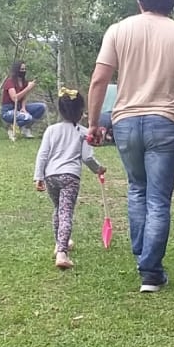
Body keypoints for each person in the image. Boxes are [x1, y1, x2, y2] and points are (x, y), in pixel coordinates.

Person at [86, 0, 174, 293]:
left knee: (137, 189)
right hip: (165, 122)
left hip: (125, 121)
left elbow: (100, 80)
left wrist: (94, 122)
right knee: (158, 199)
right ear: (172, 4)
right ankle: (150, 271)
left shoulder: (118, 30)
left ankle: (143, 257)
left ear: (140, 2)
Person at [34, 88, 106, 270]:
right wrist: (99, 169)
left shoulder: (51, 130)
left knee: (58, 209)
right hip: (70, 177)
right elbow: (87, 157)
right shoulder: (82, 132)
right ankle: (62, 252)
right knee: (66, 212)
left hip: (51, 176)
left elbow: (43, 154)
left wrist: (39, 176)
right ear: (81, 113)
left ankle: (60, 243)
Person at [1, 61, 47, 141]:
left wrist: (23, 108)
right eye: (22, 69)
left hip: (19, 107)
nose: (23, 71)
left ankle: (25, 128)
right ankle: (12, 128)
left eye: (25, 69)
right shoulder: (10, 82)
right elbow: (15, 98)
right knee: (28, 117)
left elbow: (24, 97)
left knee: (41, 107)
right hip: (8, 110)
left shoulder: (24, 82)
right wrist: (28, 88)